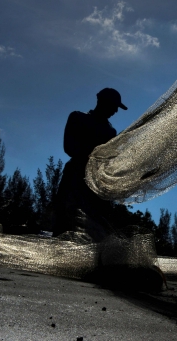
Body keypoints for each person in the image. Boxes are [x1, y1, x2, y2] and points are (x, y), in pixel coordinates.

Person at [52, 87, 127, 242]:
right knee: (66, 223)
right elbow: (70, 147)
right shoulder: (77, 118)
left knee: (94, 228)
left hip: (96, 184)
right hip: (74, 179)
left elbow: (110, 160)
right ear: (101, 101)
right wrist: (96, 153)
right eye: (113, 106)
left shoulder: (110, 131)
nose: (115, 111)